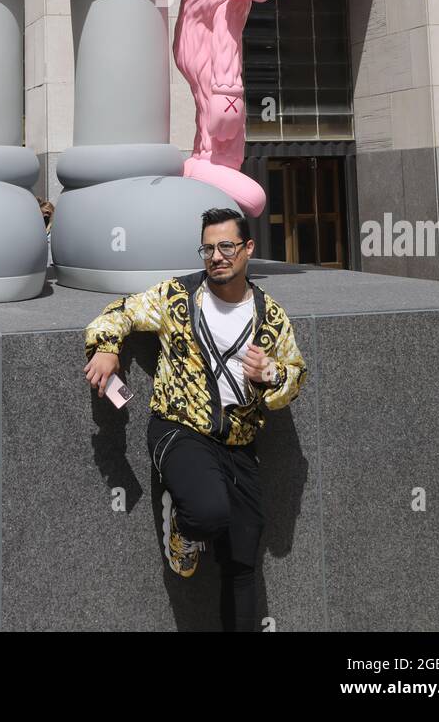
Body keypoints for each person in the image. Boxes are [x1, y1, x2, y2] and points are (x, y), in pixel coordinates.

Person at [83, 207, 307, 632]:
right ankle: (182, 530)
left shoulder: (271, 316)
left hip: (240, 444)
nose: (217, 256)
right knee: (207, 512)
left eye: (226, 246)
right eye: (208, 248)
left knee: (244, 558)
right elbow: (122, 310)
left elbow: (296, 375)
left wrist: (271, 374)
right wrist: (108, 347)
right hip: (180, 429)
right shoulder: (177, 297)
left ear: (248, 249)